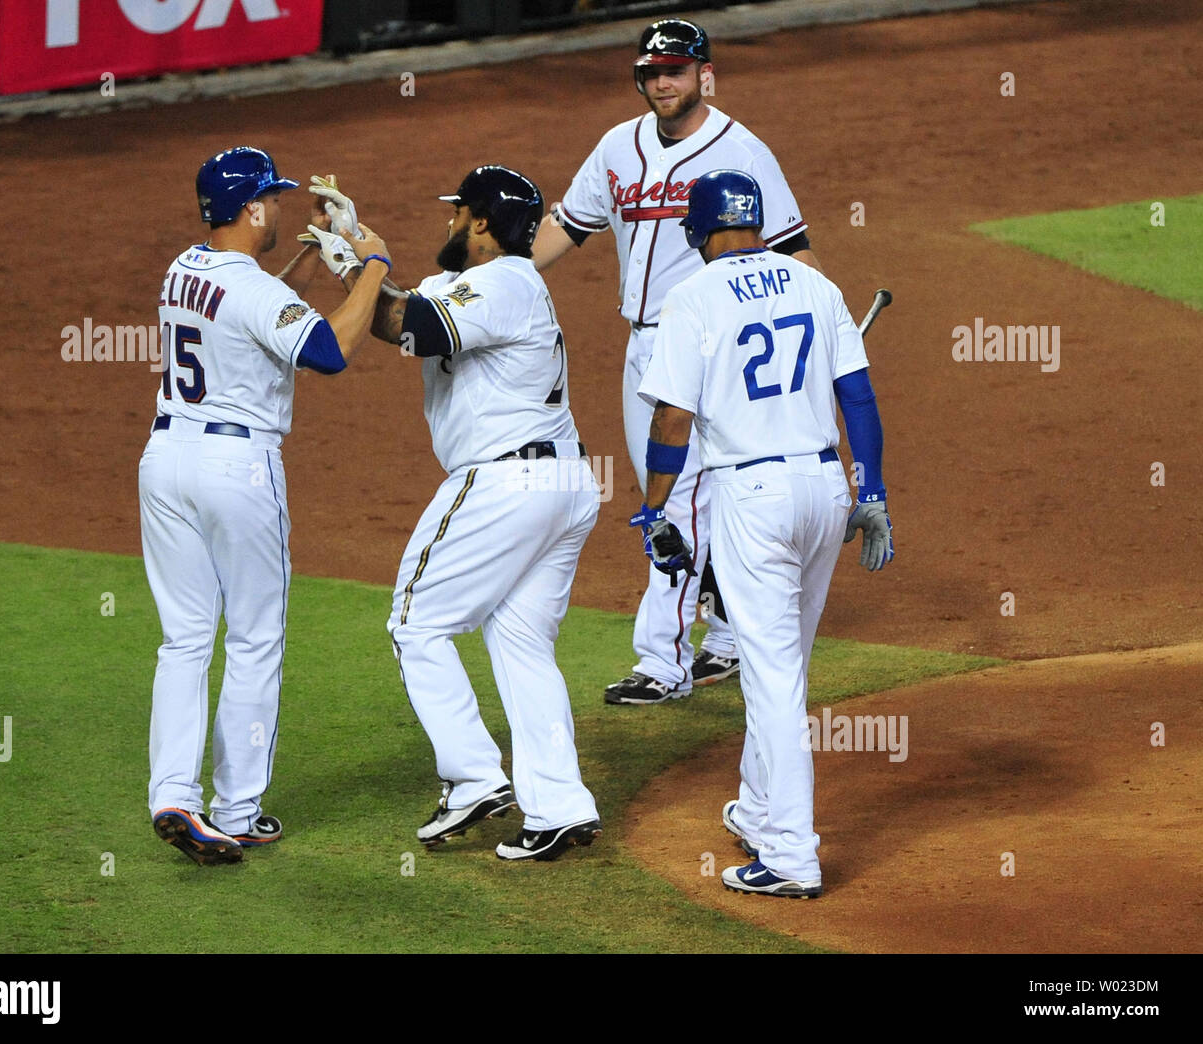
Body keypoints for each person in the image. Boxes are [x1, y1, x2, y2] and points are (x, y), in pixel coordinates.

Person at [533, 18, 827, 705]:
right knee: (701, 498)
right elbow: (567, 228)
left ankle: (661, 661)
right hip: (647, 346)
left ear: (704, 75)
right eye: (651, 72)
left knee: (675, 502)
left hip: (715, 345)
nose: (662, 82)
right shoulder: (617, 146)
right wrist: (494, 275)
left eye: (675, 70)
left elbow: (794, 248)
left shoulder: (743, 149)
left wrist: (820, 329)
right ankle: (724, 637)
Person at [324, 165, 603, 861]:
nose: (447, 223)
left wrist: (368, 265)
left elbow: (413, 324)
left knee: (415, 623)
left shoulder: (507, 280)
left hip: (507, 483)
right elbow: (401, 316)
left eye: (456, 213)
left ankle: (474, 778)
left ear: (480, 221)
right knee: (520, 646)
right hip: (558, 483)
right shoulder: (478, 287)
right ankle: (559, 806)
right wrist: (353, 259)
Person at [633, 170, 894, 898]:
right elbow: (859, 396)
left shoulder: (690, 297)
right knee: (783, 664)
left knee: (772, 674)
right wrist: (869, 488)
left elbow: (671, 421)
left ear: (699, 231)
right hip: (823, 487)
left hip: (753, 498)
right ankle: (758, 807)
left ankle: (788, 855)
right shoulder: (815, 282)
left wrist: (655, 509)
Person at [142, 147, 393, 866]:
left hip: (166, 462)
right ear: (253, 209)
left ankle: (173, 797)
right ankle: (239, 811)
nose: (282, 208)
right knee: (254, 638)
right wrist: (372, 261)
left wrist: (312, 255)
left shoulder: (182, 269)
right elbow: (330, 350)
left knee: (185, 640)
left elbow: (248, 311)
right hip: (236, 469)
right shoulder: (251, 291)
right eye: (275, 200)